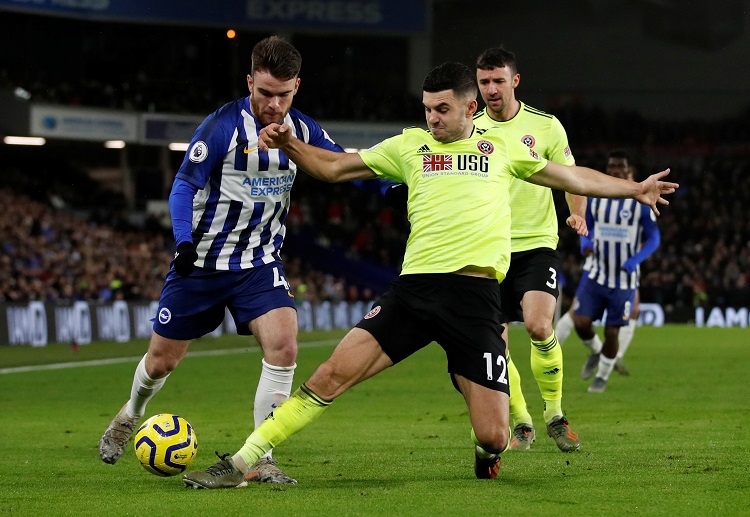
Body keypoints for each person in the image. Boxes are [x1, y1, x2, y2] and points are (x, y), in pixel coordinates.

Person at [182, 62, 676, 488]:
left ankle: (485, 452)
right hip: (413, 292)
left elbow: (573, 176)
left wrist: (634, 189)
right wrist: (289, 142)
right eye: (426, 108)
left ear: (469, 108)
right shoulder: (409, 146)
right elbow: (333, 168)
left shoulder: (500, 150)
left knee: (494, 436)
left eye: (442, 109)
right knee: (330, 375)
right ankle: (243, 461)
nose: (431, 118)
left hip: (476, 299)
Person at [98, 36, 345, 485]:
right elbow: (182, 187)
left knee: (285, 346)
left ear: (297, 89)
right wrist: (183, 243)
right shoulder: (220, 127)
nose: (273, 104)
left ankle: (261, 454)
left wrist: (395, 178)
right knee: (161, 362)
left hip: (258, 263)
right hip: (202, 264)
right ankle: (130, 413)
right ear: (249, 81)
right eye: (265, 93)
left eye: (283, 95)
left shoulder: (304, 130)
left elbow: (342, 164)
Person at [473, 47, 587, 452]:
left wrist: (577, 214)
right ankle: (521, 419)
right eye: (484, 81)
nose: (491, 89)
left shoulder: (547, 126)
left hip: (537, 243)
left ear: (514, 81)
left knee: (540, 325)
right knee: (495, 343)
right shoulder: (467, 128)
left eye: (498, 80)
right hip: (486, 248)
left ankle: (554, 413)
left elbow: (572, 177)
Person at [560, 150, 661, 393]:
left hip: (624, 280)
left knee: (613, 330)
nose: (615, 170)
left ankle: (602, 378)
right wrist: (585, 243)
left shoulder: (640, 203)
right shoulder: (596, 198)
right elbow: (588, 226)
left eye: (620, 167)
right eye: (611, 166)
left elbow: (654, 238)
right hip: (595, 273)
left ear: (629, 171)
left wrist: (635, 260)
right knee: (581, 322)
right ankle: (596, 351)